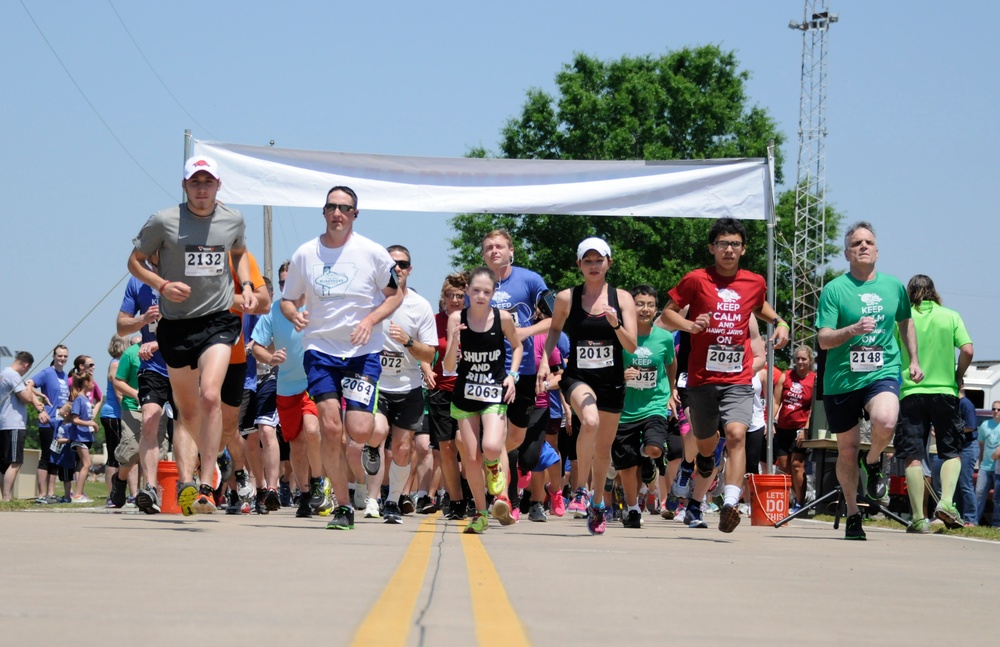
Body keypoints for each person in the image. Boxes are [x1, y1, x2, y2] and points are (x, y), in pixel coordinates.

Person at [128, 155, 258, 515]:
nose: (202, 189)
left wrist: (245, 283)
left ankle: (205, 483)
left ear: (218, 185)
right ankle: (195, 474)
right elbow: (134, 261)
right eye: (195, 182)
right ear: (185, 186)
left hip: (219, 321)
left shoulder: (233, 219)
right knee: (187, 412)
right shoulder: (164, 221)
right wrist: (162, 284)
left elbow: (240, 252)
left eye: (208, 182)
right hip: (176, 325)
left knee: (211, 395)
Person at [281, 185, 404, 530]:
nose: (338, 213)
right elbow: (288, 300)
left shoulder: (373, 253)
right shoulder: (306, 254)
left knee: (359, 430)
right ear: (324, 211)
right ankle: (344, 505)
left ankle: (369, 446)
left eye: (345, 208)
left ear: (355, 214)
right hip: (320, 350)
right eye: (332, 207)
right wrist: (294, 315)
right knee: (330, 427)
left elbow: (396, 295)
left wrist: (370, 320)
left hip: (362, 352)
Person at [656, 218, 789, 532]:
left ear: (743, 249)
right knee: (706, 444)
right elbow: (667, 313)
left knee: (736, 435)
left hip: (738, 378)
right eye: (723, 244)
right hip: (702, 379)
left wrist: (781, 323)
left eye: (735, 244)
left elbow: (761, 307)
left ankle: (730, 502)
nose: (729, 250)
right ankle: (698, 464)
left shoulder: (754, 282)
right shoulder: (696, 279)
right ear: (712, 248)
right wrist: (690, 326)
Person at [816, 221, 922, 540]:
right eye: (856, 243)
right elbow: (823, 339)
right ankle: (852, 513)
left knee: (886, 419)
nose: (863, 246)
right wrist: (850, 331)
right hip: (841, 379)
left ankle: (873, 458)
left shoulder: (893, 287)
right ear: (847, 252)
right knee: (846, 449)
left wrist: (914, 358)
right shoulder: (835, 289)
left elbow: (906, 322)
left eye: (868, 242)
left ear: (877, 250)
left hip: (882, 370)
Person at [538, 237, 638, 535]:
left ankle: (597, 503)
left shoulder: (623, 299)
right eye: (588, 261)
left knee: (604, 449)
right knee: (590, 420)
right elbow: (555, 328)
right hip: (578, 377)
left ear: (609, 263)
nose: (594, 266)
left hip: (612, 380)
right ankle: (580, 489)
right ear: (579, 264)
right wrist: (545, 361)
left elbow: (632, 346)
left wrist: (616, 323)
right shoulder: (568, 297)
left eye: (599, 260)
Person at [891, 274, 973, 533]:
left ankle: (917, 518)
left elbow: (891, 352)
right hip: (944, 391)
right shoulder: (950, 316)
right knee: (951, 450)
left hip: (910, 391)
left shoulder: (901, 319)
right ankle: (947, 502)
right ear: (934, 292)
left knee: (913, 455)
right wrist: (958, 376)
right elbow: (968, 350)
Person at [443, 266, 522, 534]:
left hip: (493, 392)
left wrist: (512, 375)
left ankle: (495, 470)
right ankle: (479, 511)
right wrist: (454, 341)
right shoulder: (457, 318)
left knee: (491, 446)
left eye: (486, 292)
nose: (480, 296)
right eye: (475, 290)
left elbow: (518, 345)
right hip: (465, 394)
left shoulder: (503, 318)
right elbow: (448, 365)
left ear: (493, 293)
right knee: (470, 457)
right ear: (467, 291)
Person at [252, 262, 330, 519]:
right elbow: (257, 347)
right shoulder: (274, 311)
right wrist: (270, 357)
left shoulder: (318, 307)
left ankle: (319, 481)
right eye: (283, 283)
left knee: (312, 430)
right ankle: (305, 495)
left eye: (292, 281)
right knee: (296, 444)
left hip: (314, 383)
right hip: (286, 387)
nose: (288, 286)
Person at [480, 230, 550, 516]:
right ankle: (503, 497)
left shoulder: (530, 279)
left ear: (511, 252)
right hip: (488, 370)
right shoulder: (479, 282)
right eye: (489, 247)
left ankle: (495, 464)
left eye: (500, 246)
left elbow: (556, 318)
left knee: (516, 438)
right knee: (495, 436)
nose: (494, 250)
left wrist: (524, 332)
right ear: (483, 254)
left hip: (523, 370)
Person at [366, 245, 437, 525]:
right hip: (376, 383)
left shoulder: (420, 306)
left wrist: (408, 341)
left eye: (403, 264)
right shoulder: (370, 298)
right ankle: (372, 498)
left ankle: (393, 501)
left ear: (410, 269)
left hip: (408, 386)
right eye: (392, 264)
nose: (398, 268)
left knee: (403, 448)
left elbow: (430, 353)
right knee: (378, 431)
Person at [613, 285, 678, 529]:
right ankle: (632, 510)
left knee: (654, 448)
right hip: (624, 409)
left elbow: (671, 363)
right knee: (626, 466)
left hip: (654, 404)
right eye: (639, 303)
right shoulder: (619, 335)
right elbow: (606, 369)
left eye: (650, 304)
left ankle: (648, 462)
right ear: (630, 307)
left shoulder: (664, 337)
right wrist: (622, 374)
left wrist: (671, 390)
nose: (645, 309)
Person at [116, 254, 174, 514]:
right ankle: (149, 489)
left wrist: (161, 341)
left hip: (182, 364)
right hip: (152, 367)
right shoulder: (135, 283)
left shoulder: (182, 276)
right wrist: (142, 320)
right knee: (150, 417)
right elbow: (121, 327)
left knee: (187, 425)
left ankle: (191, 484)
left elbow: (198, 325)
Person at [425, 272, 469, 520]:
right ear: (443, 297)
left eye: (460, 296)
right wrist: (426, 369)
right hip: (441, 389)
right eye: (451, 296)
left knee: (467, 444)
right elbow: (425, 351)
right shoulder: (433, 321)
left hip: (469, 390)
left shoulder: (475, 320)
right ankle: (457, 501)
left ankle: (473, 493)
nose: (455, 300)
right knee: (447, 448)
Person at [774, 345, 817, 510]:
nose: (800, 362)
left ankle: (800, 502)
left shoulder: (814, 379)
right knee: (784, 466)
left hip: (801, 428)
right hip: (783, 427)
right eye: (797, 358)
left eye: (804, 359)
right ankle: (789, 500)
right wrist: (771, 422)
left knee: (797, 465)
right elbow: (776, 401)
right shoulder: (786, 376)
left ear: (810, 361)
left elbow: (814, 408)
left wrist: (806, 429)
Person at [1, 352, 45, 501]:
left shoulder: (4, 373)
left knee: (5, 464)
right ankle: (6, 498)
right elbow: (26, 397)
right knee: (16, 462)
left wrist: (33, 393)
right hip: (13, 424)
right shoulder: (13, 375)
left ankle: (5, 497)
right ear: (26, 365)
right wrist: (30, 385)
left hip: (4, 424)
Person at [31, 345, 69, 503]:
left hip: (60, 422)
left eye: (65, 356)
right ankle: (41, 494)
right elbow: (28, 385)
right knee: (46, 456)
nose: (62, 359)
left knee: (56, 457)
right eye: (59, 356)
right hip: (47, 421)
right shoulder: (47, 373)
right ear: (54, 356)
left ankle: (51, 493)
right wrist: (40, 409)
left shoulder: (65, 375)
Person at [100, 335, 130, 507]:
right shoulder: (115, 364)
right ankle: (111, 494)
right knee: (114, 456)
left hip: (117, 415)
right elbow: (118, 392)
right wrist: (126, 411)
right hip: (113, 414)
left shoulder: (119, 363)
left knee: (120, 456)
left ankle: (119, 493)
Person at [974, 402, 1000, 527]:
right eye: (994, 409)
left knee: (997, 498)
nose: (996, 411)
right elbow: (981, 445)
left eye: (998, 409)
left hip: (998, 469)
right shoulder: (985, 425)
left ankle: (996, 524)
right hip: (985, 467)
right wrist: (980, 464)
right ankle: (974, 521)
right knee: (979, 494)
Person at [956, 388, 979, 526]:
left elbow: (971, 426)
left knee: (965, 484)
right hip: (959, 447)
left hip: (968, 447)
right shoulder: (955, 403)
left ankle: (971, 519)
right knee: (957, 484)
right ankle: (958, 516)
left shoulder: (966, 404)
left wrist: (953, 429)